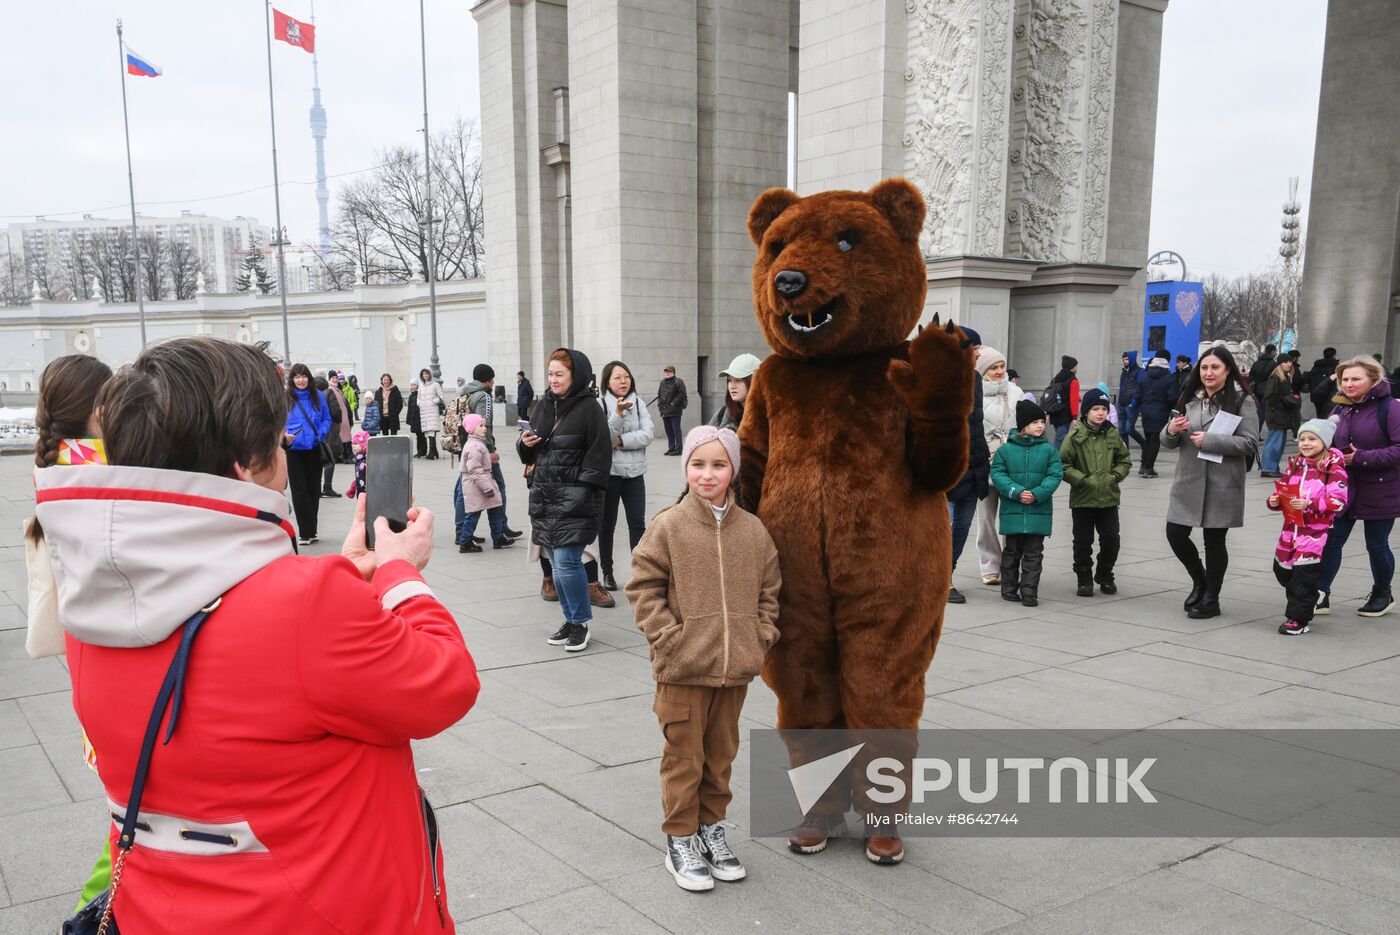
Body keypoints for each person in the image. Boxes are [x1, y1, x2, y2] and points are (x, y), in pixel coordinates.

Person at [35, 336, 479, 933]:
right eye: (277, 441)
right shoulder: (310, 602)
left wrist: (344, 576)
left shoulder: (94, 590)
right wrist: (399, 573)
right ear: (246, 468)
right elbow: (444, 683)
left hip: (161, 908)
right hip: (319, 906)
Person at [625, 425, 781, 892]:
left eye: (718, 464)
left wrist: (761, 636)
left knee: (720, 757)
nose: (707, 474)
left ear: (733, 470)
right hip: (683, 669)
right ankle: (680, 838)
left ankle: (712, 830)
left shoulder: (753, 531)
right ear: (685, 468)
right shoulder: (670, 524)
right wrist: (668, 638)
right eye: (698, 464)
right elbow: (643, 586)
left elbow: (770, 591)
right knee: (684, 757)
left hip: (734, 672)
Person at [23, 354, 114, 910]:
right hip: (118, 645)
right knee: (130, 815)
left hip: (89, 651)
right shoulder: (98, 460)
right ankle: (93, 912)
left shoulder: (57, 460)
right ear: (98, 404)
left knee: (125, 803)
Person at [520, 348, 612, 651]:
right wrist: (526, 444)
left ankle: (581, 622)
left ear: (577, 376)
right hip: (545, 496)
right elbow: (531, 454)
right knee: (556, 565)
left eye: (560, 374)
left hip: (576, 499)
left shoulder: (590, 410)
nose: (553, 379)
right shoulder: (544, 404)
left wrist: (580, 489)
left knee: (567, 561)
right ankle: (571, 619)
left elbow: (599, 459)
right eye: (550, 374)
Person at [1162, 346, 1259, 619]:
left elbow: (1250, 443)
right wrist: (1171, 429)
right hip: (1188, 480)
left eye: (1215, 367)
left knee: (1214, 541)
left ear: (1228, 370)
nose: (1208, 373)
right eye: (1204, 367)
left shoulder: (1242, 402)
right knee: (1175, 534)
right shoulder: (1190, 399)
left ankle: (1212, 598)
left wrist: (1211, 440)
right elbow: (1167, 441)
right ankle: (1200, 580)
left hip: (1222, 483)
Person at [1314, 355, 1400, 617]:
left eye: (1355, 379)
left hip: (1381, 486)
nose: (1348, 384)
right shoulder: (1340, 408)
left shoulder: (1391, 407)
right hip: (1343, 487)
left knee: (1377, 544)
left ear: (1373, 380)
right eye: (1345, 379)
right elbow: (1325, 441)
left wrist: (1359, 457)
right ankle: (1320, 593)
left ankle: (1382, 593)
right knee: (1331, 541)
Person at [1267, 417, 1348, 635]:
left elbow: (1338, 501)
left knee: (1302, 577)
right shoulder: (1295, 465)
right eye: (1302, 438)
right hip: (1289, 530)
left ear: (1324, 441)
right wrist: (1274, 500)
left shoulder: (1334, 470)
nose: (1306, 443)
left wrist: (1310, 504)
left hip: (1314, 533)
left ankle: (1298, 619)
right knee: (1282, 571)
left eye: (1312, 438)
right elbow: (1283, 490)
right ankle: (1312, 596)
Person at [990, 399, 1062, 607]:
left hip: (1038, 510)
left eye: (1042, 421)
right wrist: (1017, 491)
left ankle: (1029, 591)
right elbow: (998, 474)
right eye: (1035, 422)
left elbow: (1054, 475)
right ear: (1023, 425)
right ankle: (1009, 588)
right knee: (1011, 552)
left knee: (1034, 553)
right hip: (1014, 509)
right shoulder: (1005, 451)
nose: (1041, 425)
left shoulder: (1049, 451)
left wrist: (1037, 493)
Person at [1060, 387, 1131, 597]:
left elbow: (1124, 460)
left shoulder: (1112, 433)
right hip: (1083, 499)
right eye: (1095, 409)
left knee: (1111, 540)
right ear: (1086, 412)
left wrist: (1115, 476)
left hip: (1108, 498)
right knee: (1082, 542)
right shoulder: (1074, 436)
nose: (1101, 413)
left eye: (1104, 409)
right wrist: (1082, 480)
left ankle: (1105, 573)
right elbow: (1063, 464)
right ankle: (1084, 578)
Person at [599, 360, 655, 591]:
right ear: (607, 382)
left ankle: (639, 573)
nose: (623, 381)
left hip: (635, 474)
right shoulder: (600, 404)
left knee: (637, 525)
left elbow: (648, 434)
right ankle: (608, 572)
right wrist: (618, 415)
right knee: (606, 526)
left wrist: (621, 441)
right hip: (610, 475)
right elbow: (604, 438)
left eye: (626, 376)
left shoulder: (640, 403)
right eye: (617, 377)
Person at [974, 347, 1025, 586]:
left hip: (1011, 462)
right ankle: (990, 564)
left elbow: (1027, 423)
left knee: (1013, 516)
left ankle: (1013, 563)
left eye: (1001, 366)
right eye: (993, 367)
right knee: (985, 519)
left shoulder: (1015, 392)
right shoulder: (973, 393)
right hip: (984, 462)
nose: (999, 371)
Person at [945, 328, 987, 603]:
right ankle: (942, 581)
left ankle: (947, 572)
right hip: (947, 467)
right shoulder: (939, 376)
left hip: (973, 463)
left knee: (961, 526)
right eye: (974, 349)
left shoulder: (974, 378)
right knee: (945, 528)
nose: (979, 353)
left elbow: (977, 425)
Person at [459, 364, 522, 545]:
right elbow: (483, 424)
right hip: (480, 449)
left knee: (463, 489)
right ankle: (498, 529)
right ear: (488, 380)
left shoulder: (466, 393)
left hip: (467, 445)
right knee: (496, 488)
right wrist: (491, 449)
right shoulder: (484, 396)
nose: (493, 383)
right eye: (492, 379)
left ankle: (461, 531)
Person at [284, 363, 333, 545]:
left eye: (303, 376)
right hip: (294, 450)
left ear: (309, 379)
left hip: (314, 448)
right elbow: (278, 419)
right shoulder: (286, 397)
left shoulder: (318, 396)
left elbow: (327, 418)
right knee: (299, 491)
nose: (300, 380)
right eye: (296, 377)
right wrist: (284, 435)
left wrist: (321, 433)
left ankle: (312, 530)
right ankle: (305, 532)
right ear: (292, 380)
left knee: (313, 489)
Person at [457, 414, 507, 553]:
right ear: (471, 428)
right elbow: (475, 471)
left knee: (495, 508)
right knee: (473, 513)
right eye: (480, 426)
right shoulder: (473, 446)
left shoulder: (478, 443)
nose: (484, 428)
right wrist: (487, 487)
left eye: (485, 425)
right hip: (477, 485)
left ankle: (498, 537)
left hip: (482, 482)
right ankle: (465, 541)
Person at [1137, 350, 1176, 478]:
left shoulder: (1144, 376)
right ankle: (1149, 468)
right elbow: (1172, 398)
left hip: (1146, 411)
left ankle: (1143, 466)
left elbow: (1138, 395)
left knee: (1147, 439)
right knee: (1155, 441)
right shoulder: (1169, 378)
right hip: (1160, 412)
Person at [1261, 357, 1302, 476]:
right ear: (1279, 364)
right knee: (1274, 442)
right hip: (1276, 415)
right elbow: (1270, 397)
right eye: (1285, 362)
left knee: (1278, 443)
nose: (1288, 364)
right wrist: (1284, 403)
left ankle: (1271, 467)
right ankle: (1268, 468)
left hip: (1281, 415)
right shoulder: (1276, 377)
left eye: (1290, 362)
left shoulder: (1284, 377)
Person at [708, 353, 761, 433]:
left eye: (738, 380)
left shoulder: (772, 417)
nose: (732, 386)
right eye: (729, 380)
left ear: (754, 382)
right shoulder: (721, 415)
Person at [315, 375, 344, 498]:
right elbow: (336, 412)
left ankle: (316, 488)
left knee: (317, 461)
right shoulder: (329, 393)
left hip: (316, 432)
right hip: (329, 430)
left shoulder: (312, 396)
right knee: (329, 459)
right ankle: (327, 487)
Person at [1047, 355, 1081, 448]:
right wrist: (1074, 417)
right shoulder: (1073, 380)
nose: (1077, 368)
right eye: (1075, 366)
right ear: (1072, 367)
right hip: (1065, 414)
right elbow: (1073, 400)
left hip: (1054, 412)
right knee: (1060, 439)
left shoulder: (1055, 379)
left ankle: (1059, 459)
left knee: (1060, 437)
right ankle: (1053, 459)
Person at [1117, 351, 1147, 449]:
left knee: (1129, 429)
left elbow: (1141, 388)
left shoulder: (1140, 372)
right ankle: (1125, 451)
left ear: (1132, 359)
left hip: (1132, 405)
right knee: (1121, 430)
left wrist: (1133, 403)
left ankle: (1144, 444)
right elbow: (1121, 388)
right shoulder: (1124, 373)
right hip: (1122, 404)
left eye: (1127, 359)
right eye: (1123, 360)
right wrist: (1118, 402)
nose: (1125, 361)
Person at [658, 364, 688, 455]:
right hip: (664, 410)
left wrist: (673, 403)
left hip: (675, 411)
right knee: (668, 431)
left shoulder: (678, 381)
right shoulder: (662, 382)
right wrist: (659, 405)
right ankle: (671, 448)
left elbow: (682, 394)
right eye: (666, 371)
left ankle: (679, 449)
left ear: (673, 373)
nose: (667, 373)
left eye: (669, 371)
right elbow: (659, 394)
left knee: (676, 430)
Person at [325, 371, 353, 463]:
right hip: (339, 418)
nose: (335, 379)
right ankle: (345, 456)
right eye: (332, 378)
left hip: (343, 417)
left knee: (344, 436)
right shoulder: (331, 389)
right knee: (342, 437)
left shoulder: (337, 389)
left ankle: (344, 456)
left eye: (336, 377)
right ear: (329, 379)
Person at [1247, 343, 1277, 428]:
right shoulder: (1273, 364)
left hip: (1256, 389)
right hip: (1267, 390)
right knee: (1263, 412)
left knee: (1258, 411)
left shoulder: (1256, 363)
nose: (1275, 354)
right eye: (1275, 352)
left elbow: (1250, 375)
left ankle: (1255, 430)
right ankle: (1257, 432)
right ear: (1272, 351)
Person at [417, 367, 444, 460]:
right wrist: (419, 403)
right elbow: (418, 397)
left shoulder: (435, 384)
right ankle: (434, 451)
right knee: (427, 432)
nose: (425, 375)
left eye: (427, 374)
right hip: (424, 411)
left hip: (432, 410)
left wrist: (434, 401)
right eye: (424, 374)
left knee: (432, 430)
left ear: (430, 375)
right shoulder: (420, 386)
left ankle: (431, 452)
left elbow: (441, 396)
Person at [1308, 347, 1340, 418]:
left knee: (1319, 417)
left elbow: (1310, 380)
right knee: (1329, 417)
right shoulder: (1334, 366)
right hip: (1328, 397)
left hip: (1316, 395)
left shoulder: (1315, 366)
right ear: (1334, 355)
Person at [406, 380, 423, 455]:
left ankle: (422, 451)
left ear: (417, 385)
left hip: (419, 418)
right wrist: (409, 419)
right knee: (417, 435)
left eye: (414, 385)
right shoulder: (411, 396)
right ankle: (419, 451)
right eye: (412, 385)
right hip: (413, 418)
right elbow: (409, 408)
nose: (413, 386)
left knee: (421, 435)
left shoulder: (420, 394)